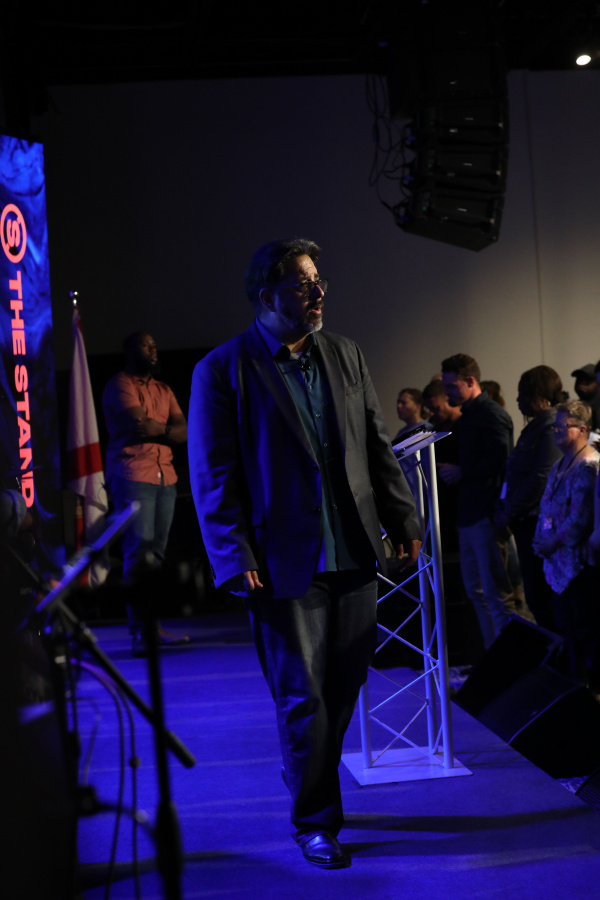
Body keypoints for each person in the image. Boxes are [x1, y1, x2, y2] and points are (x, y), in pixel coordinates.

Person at [188, 238, 421, 869]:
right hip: (280, 561)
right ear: (267, 296)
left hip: (354, 551)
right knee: (302, 697)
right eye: (302, 284)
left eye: (318, 281)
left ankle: (305, 771)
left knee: (342, 690)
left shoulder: (345, 354)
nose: (317, 293)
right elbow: (212, 473)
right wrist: (233, 555)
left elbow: (376, 443)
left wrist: (403, 517)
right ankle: (316, 822)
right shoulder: (222, 368)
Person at [102, 331, 189, 656]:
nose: (153, 348)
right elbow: (140, 425)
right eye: (145, 344)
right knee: (139, 553)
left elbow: (184, 431)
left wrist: (162, 429)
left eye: (154, 344)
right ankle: (140, 632)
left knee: (157, 555)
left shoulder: (164, 389)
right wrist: (169, 430)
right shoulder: (120, 384)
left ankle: (153, 627)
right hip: (133, 474)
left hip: (165, 477)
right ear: (130, 350)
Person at [439, 354, 516, 649]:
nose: (447, 392)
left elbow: (501, 463)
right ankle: (493, 658)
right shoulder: (468, 416)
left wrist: (462, 471)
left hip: (485, 515)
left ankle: (507, 663)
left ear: (470, 381)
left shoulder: (491, 415)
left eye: (452, 386)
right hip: (469, 515)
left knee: (495, 594)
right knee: (477, 591)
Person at [533, 400, 600, 694]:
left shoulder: (589, 466)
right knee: (567, 630)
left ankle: (592, 691)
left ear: (582, 429)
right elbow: (547, 507)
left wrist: (551, 542)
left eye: (563, 426)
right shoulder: (559, 465)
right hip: (558, 563)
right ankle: (576, 689)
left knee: (586, 631)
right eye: (555, 426)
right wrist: (540, 539)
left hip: (579, 564)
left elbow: (580, 518)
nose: (557, 431)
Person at [495, 366, 563, 631]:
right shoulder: (538, 425)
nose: (517, 400)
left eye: (522, 393)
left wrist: (509, 511)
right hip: (527, 521)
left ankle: (559, 653)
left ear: (538, 396)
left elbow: (540, 478)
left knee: (541, 596)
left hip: (538, 523)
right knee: (537, 596)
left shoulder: (551, 425)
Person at [571, 364, 600, 431]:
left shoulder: (597, 409)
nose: (581, 382)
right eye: (579, 378)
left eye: (588, 379)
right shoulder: (575, 407)